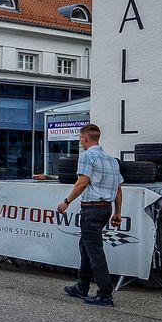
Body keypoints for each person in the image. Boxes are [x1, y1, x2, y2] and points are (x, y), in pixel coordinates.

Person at [57, 124, 124, 307]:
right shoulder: (112, 160)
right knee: (85, 246)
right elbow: (118, 189)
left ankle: (105, 294)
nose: (80, 142)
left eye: (80, 139)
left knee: (94, 251)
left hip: (91, 209)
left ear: (85, 139)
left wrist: (67, 201)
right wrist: (118, 212)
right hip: (106, 208)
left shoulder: (87, 156)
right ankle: (82, 286)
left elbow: (82, 182)